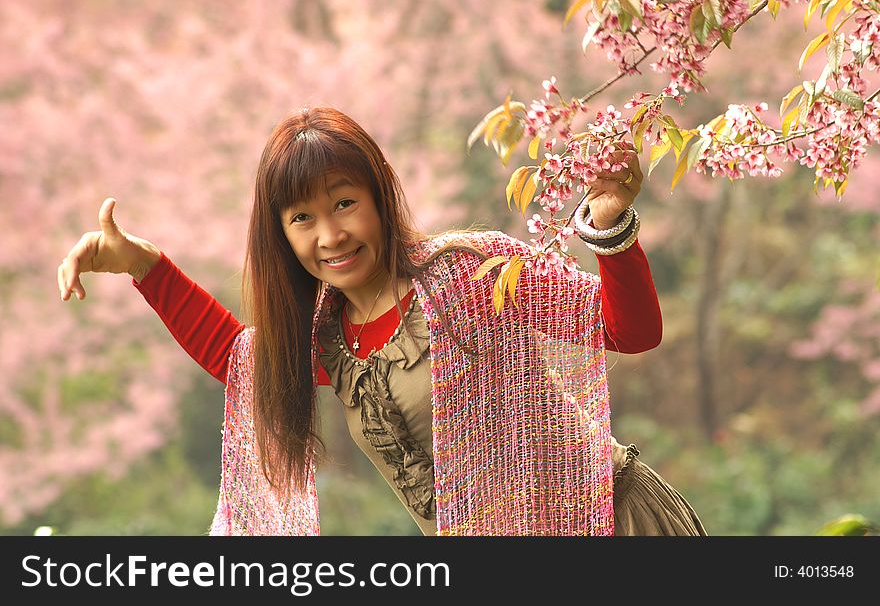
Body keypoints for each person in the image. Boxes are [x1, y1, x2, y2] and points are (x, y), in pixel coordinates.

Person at [57, 106, 706, 536]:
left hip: (612, 524)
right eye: (303, 218)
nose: (331, 234)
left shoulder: (470, 271)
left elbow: (628, 331)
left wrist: (611, 224)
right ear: (281, 234)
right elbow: (238, 356)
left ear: (379, 196)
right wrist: (146, 267)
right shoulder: (328, 340)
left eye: (345, 203)